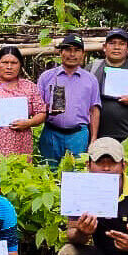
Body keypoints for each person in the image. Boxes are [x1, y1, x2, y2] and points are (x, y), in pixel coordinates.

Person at [38, 34, 101, 166]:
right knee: (48, 170)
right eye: (68, 50)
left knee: (76, 171)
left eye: (77, 50)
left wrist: (94, 138)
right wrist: (47, 109)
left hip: (78, 135)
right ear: (60, 53)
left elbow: (94, 110)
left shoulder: (90, 79)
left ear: (83, 54)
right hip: (51, 133)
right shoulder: (46, 77)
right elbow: (37, 106)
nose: (72, 54)